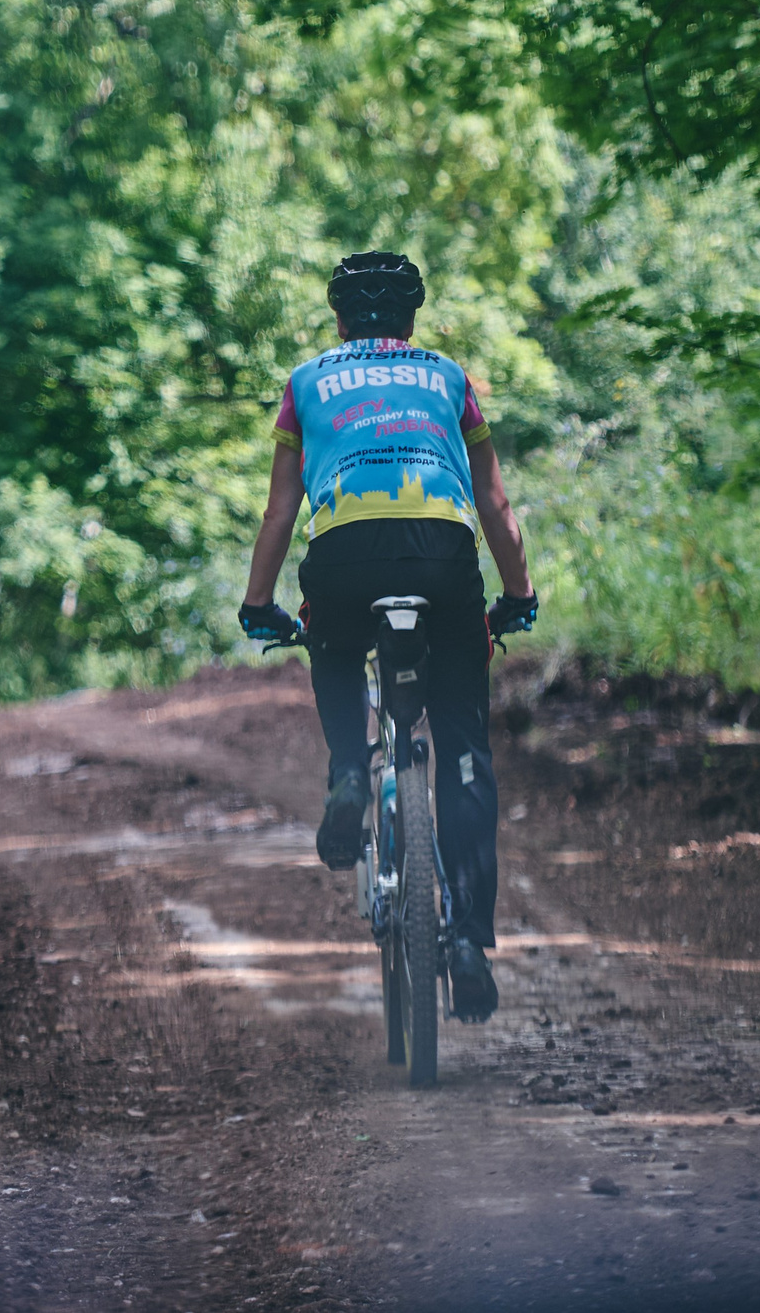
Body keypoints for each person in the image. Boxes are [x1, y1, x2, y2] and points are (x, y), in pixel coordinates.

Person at [236, 250, 537, 1023]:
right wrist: (518, 595)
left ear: (339, 321)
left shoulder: (306, 384)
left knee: (329, 643)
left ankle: (346, 770)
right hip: (442, 560)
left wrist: (259, 603)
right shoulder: (450, 379)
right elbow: (497, 507)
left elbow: (279, 512)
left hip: (341, 560)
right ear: (412, 320)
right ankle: (467, 938)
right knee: (464, 748)